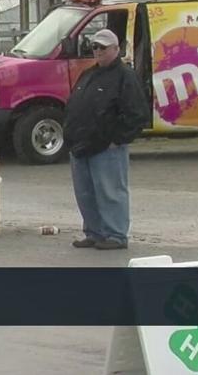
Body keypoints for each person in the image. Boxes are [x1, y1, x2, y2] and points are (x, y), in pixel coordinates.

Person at [64, 29, 148, 250]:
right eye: (95, 46)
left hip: (107, 148)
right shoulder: (88, 74)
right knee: (86, 193)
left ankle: (116, 235)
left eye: (103, 47)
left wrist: (117, 139)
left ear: (116, 49)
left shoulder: (125, 76)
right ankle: (95, 232)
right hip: (81, 145)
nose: (98, 51)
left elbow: (137, 114)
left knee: (111, 192)